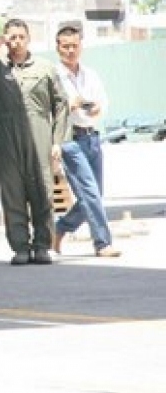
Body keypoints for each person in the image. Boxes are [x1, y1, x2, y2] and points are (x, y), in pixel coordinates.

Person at [0, 19, 68, 266]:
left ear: (28, 39)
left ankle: (42, 246)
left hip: (39, 132)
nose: (16, 41)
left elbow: (61, 104)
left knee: (43, 190)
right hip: (6, 135)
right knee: (12, 192)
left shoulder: (45, 68)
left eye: (21, 36)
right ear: (5, 39)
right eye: (12, 37)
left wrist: (57, 141)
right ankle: (20, 246)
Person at [52, 23, 121, 258]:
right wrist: (71, 105)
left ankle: (60, 228)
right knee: (90, 193)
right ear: (57, 47)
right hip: (70, 139)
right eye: (65, 46)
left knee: (93, 195)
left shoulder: (90, 73)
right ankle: (102, 243)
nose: (70, 51)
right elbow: (51, 110)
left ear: (81, 46)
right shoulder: (53, 76)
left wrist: (96, 109)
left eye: (74, 45)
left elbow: (103, 101)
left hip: (91, 137)